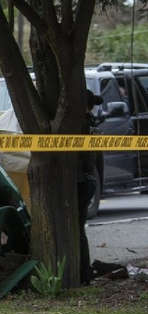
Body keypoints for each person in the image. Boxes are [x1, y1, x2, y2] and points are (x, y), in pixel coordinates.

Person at [78, 89, 103, 285]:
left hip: (83, 179)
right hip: (89, 178)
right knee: (79, 230)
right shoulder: (90, 122)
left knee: (78, 230)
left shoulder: (82, 125)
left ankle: (83, 274)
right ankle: (83, 272)